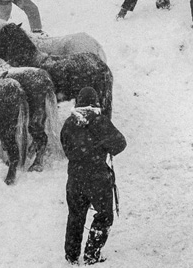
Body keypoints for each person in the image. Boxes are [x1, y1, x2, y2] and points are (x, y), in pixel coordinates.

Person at [61, 87, 127, 265]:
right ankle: (92, 254)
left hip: (74, 178)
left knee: (75, 215)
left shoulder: (68, 123)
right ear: (95, 103)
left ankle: (72, 256)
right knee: (104, 216)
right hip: (97, 178)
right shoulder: (100, 121)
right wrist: (103, 147)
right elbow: (120, 144)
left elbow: (65, 147)